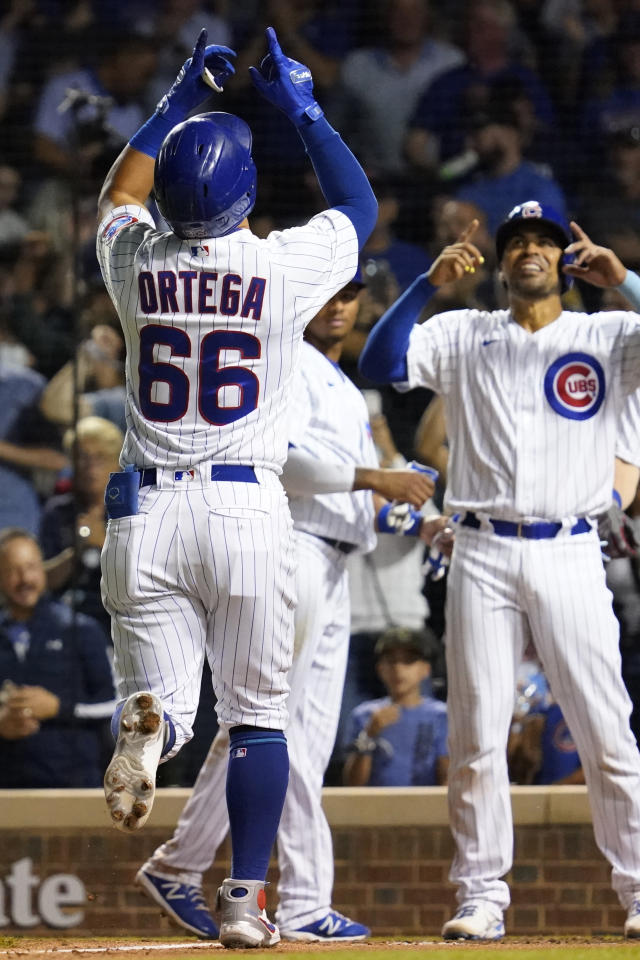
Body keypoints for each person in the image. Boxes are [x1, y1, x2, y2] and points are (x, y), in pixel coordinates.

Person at [95, 25, 378, 949]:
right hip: (247, 507)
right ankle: (246, 903)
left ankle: (152, 729)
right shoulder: (279, 267)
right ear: (247, 196)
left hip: (146, 505)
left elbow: (119, 194)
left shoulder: (136, 264)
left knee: (174, 707)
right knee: (259, 720)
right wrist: (301, 109)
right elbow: (359, 206)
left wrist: (179, 98)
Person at [359, 198, 640, 941]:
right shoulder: (462, 332)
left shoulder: (606, 333)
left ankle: (639, 887)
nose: (530, 251)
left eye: (544, 241)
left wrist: (628, 281)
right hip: (480, 547)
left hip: (572, 548)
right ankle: (481, 893)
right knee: (478, 731)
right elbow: (380, 363)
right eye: (518, 241)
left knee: (607, 728)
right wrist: (426, 285)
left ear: (564, 259)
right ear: (502, 260)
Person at [133, 274, 443, 941]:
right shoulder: (278, 359)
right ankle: (221, 875)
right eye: (329, 293)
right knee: (265, 724)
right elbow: (279, 459)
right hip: (289, 546)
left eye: (350, 295)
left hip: (333, 559)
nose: (340, 305)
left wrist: (410, 517)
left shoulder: (341, 383)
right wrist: (373, 479)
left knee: (291, 735)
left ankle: (246, 885)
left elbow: (350, 491)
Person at [0, 527, 116, 788]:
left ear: (43, 570)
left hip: (74, 786)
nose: (24, 579)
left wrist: (58, 708)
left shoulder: (80, 628)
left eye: (30, 567)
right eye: (11, 570)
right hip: (9, 792)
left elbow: (114, 705)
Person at [40, 416, 124, 633]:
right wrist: (76, 551)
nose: (90, 467)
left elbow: (148, 573)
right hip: (67, 615)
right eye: (82, 457)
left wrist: (103, 542)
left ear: (117, 463)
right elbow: (44, 580)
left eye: (100, 458)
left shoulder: (134, 510)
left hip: (118, 615)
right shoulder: (58, 510)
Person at [343, 625, 448, 787]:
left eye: (408, 661)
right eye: (391, 661)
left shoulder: (441, 715)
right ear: (380, 669)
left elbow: (446, 779)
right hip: (376, 808)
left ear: (425, 669)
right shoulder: (364, 715)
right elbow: (352, 785)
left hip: (426, 807)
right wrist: (368, 735)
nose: (398, 669)